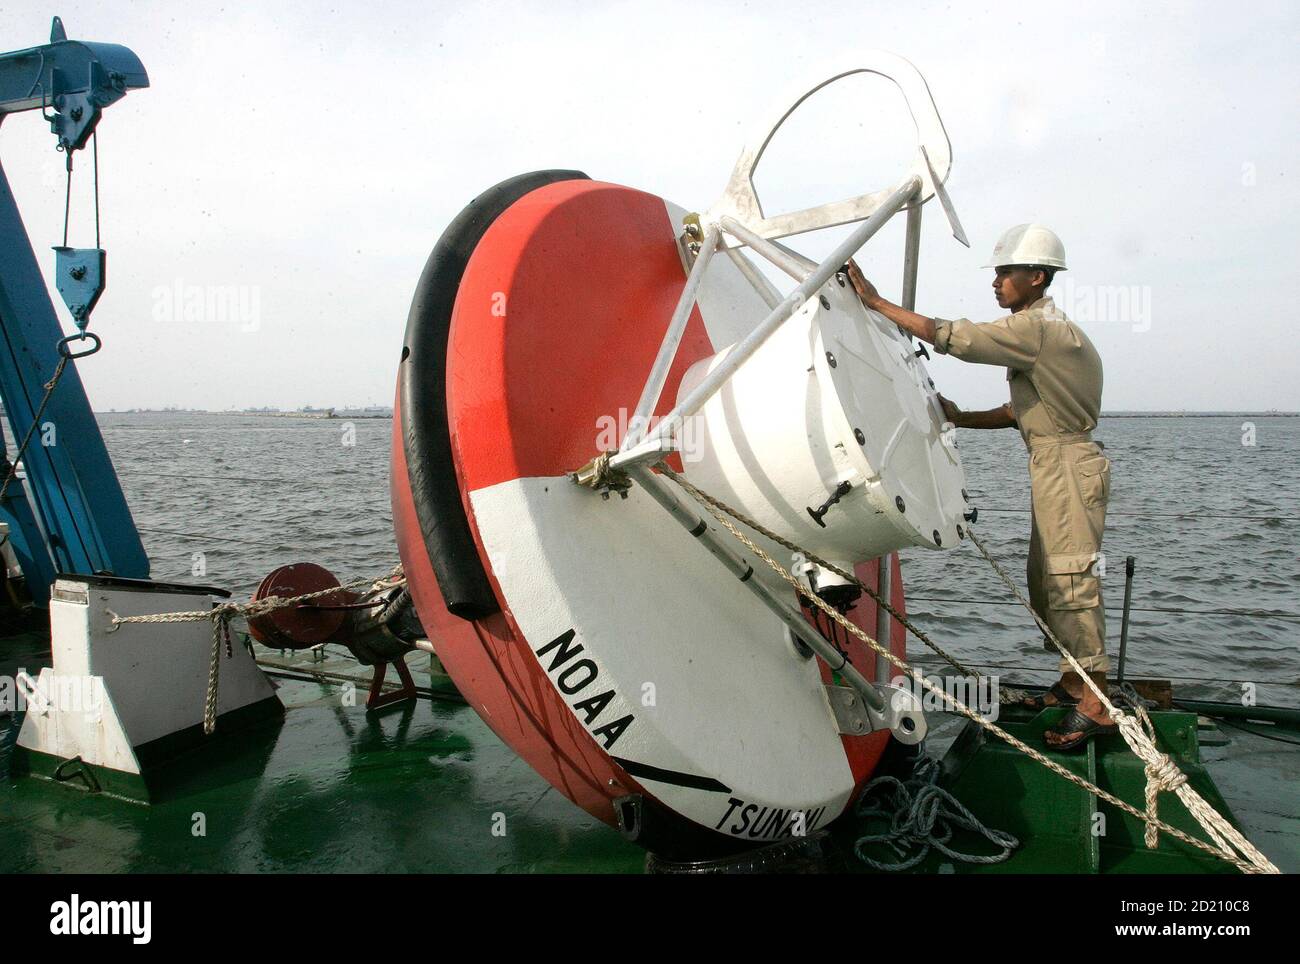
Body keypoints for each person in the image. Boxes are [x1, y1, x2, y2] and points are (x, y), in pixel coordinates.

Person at [846, 223, 1114, 751]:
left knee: (1070, 576)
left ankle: (1096, 701)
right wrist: (962, 418)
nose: (996, 282)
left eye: (1005, 272)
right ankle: (1071, 680)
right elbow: (1021, 411)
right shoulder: (1043, 332)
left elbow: (959, 339)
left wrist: (877, 303)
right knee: (1046, 579)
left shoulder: (1037, 329)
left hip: (1066, 466)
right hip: (1055, 461)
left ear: (1037, 277)